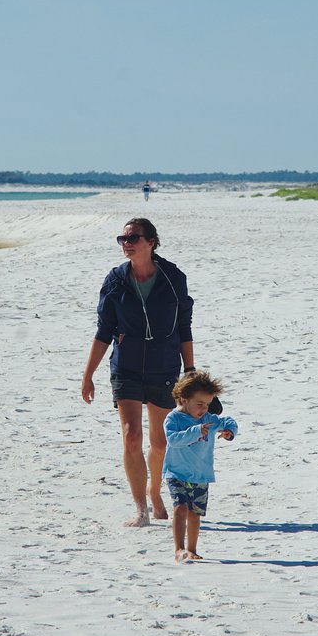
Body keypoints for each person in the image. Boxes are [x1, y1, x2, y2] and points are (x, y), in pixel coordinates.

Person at [81, 217, 196, 528]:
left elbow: (184, 327)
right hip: (126, 366)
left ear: (151, 242)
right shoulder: (115, 280)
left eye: (133, 238)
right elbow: (104, 331)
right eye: (122, 238)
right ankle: (141, 509)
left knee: (160, 443)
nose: (126, 243)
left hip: (164, 366)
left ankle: (154, 492)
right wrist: (88, 374)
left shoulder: (173, 277)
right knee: (132, 437)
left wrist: (190, 371)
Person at [164, 371, 238, 562]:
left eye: (207, 404)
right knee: (180, 508)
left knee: (195, 514)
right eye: (199, 404)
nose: (204, 409)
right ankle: (179, 549)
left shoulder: (209, 419)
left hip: (200, 474)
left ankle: (192, 549)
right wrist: (196, 431)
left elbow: (227, 421)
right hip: (176, 472)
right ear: (183, 399)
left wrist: (229, 431)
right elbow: (173, 440)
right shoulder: (173, 419)